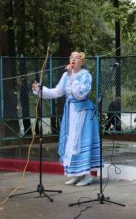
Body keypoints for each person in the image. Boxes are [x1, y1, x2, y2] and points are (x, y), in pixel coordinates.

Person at [32, 51, 101, 186]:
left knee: (79, 142)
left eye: (77, 58)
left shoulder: (85, 75)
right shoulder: (66, 75)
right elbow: (58, 92)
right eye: (71, 57)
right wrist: (40, 90)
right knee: (70, 141)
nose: (73, 59)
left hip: (83, 113)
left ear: (82, 61)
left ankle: (87, 175)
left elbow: (80, 94)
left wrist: (71, 76)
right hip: (71, 112)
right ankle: (76, 174)